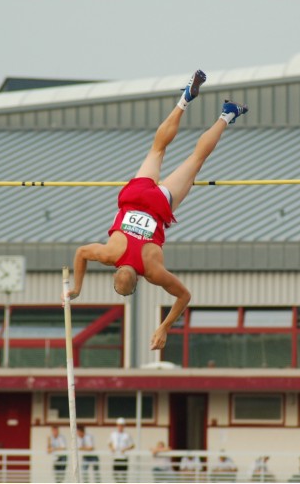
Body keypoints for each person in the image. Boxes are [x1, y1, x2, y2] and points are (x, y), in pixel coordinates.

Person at [66, 69, 249, 352]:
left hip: (160, 203)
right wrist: (77, 288)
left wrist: (164, 327)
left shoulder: (152, 271)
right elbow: (80, 254)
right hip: (134, 196)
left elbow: (184, 296)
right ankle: (183, 101)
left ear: (139, 280)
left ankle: (227, 114)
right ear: (115, 272)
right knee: (157, 149)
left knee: (196, 159)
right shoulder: (108, 254)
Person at [108, 417, 135, 482]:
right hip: (116, 457)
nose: (120, 427)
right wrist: (112, 448)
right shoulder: (113, 434)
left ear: (124, 426)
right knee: (115, 474)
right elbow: (109, 443)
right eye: (119, 425)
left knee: (123, 474)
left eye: (122, 425)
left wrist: (126, 449)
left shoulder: (127, 435)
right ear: (117, 426)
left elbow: (132, 445)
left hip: (124, 457)